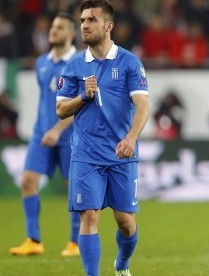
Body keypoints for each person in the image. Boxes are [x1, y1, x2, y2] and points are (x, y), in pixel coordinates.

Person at [55, 1, 149, 275]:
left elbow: (142, 105)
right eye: (82, 20)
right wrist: (83, 96)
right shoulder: (73, 66)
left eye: (91, 20)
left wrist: (131, 138)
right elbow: (60, 110)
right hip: (86, 153)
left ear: (108, 26)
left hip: (122, 153)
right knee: (89, 216)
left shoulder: (129, 62)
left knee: (125, 223)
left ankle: (122, 263)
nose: (84, 25)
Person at [8, 12, 79, 257]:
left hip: (70, 135)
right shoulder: (42, 62)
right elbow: (46, 99)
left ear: (71, 34)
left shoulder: (80, 63)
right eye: (52, 26)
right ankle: (33, 239)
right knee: (28, 181)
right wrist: (45, 127)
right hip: (42, 132)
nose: (53, 31)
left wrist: (58, 129)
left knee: (75, 189)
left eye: (59, 27)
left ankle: (76, 242)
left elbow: (81, 103)